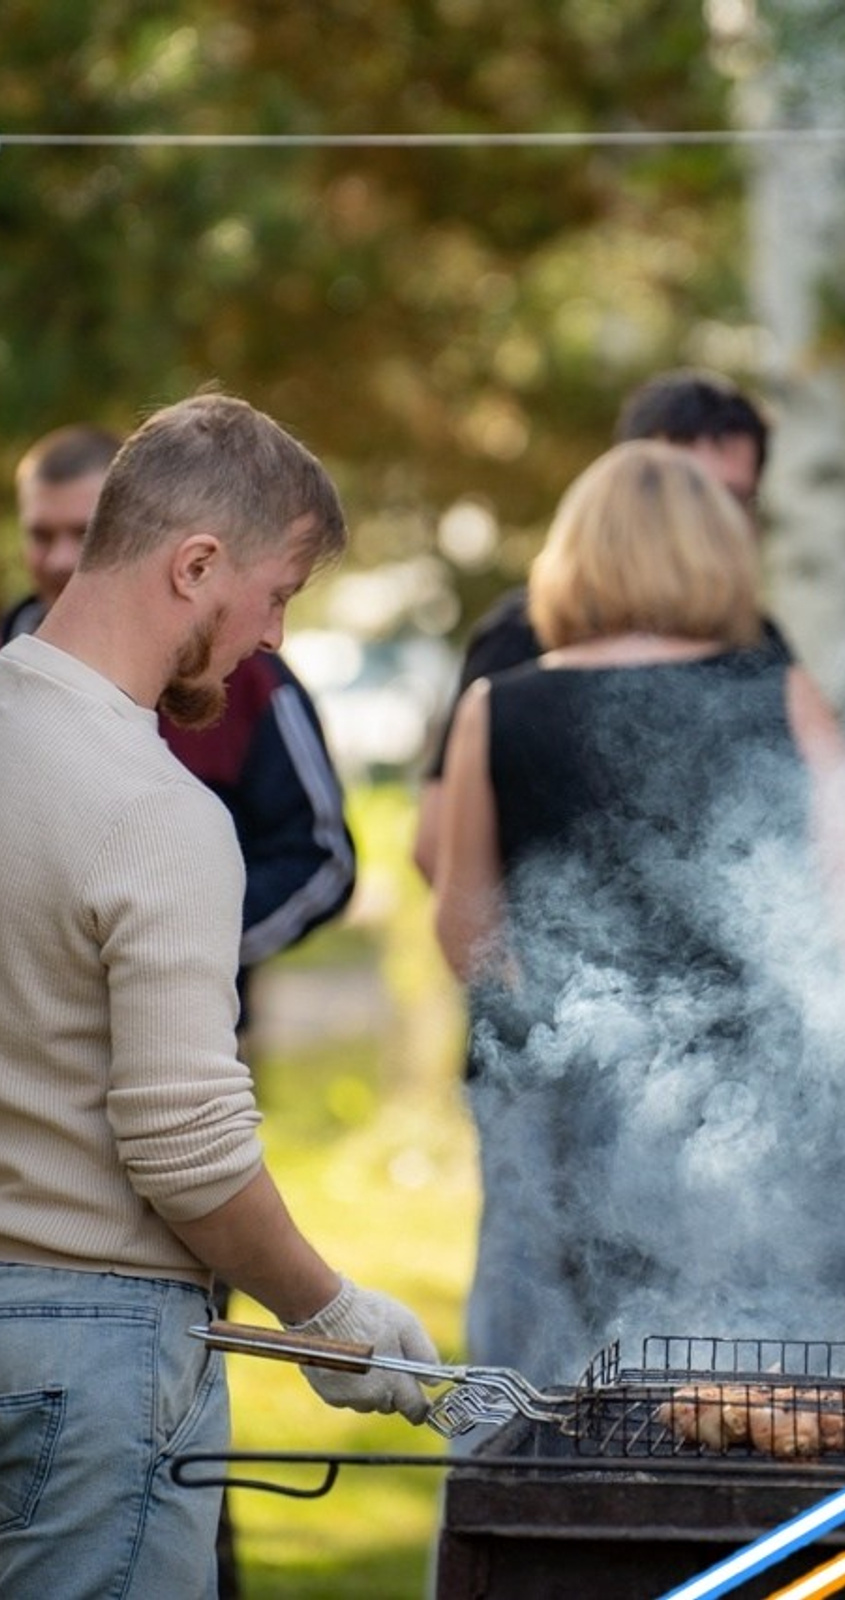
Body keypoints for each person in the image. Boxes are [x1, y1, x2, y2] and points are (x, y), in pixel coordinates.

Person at [0, 393, 436, 1600]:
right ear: (197, 564)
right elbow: (185, 1149)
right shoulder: (160, 814)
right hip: (92, 1366)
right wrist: (329, 1311)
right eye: (279, 591)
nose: (276, 635)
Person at [433, 440, 845, 1386]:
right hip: (787, 1111)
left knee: (613, 1402)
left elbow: (466, 937)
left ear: (576, 555)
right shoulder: (783, 694)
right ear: (719, 554)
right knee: (781, 1395)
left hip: (590, 1119)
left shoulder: (498, 708)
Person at [5, 423, 356, 1034]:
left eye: (81, 534)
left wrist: (184, 944)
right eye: (41, 534)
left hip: (182, 1031)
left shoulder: (249, 675)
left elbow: (321, 857)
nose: (60, 558)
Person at [412, 368, 788, 886]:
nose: (707, 517)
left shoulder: (759, 640)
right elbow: (437, 849)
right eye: (686, 489)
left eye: (734, 497)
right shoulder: (521, 634)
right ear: (621, 486)